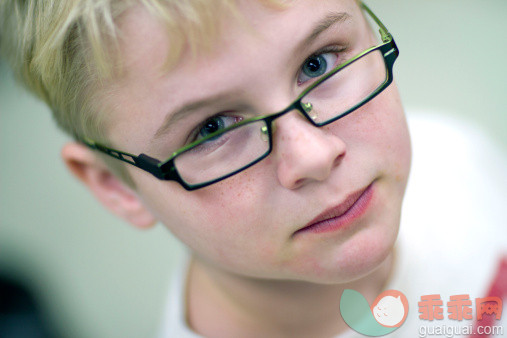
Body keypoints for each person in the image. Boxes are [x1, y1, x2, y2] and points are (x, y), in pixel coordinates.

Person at [1, 0, 504, 337]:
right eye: (214, 128)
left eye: (318, 63)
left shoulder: (453, 153)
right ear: (117, 185)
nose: (313, 155)